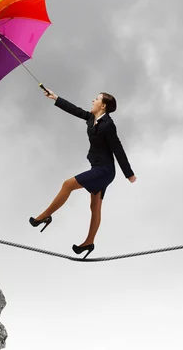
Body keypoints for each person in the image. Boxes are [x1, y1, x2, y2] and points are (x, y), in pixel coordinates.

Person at [29, 88, 136, 258]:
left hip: (105, 171)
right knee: (95, 206)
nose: (93, 100)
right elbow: (76, 110)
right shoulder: (92, 118)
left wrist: (128, 173)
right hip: (97, 168)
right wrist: (55, 97)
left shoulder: (108, 125)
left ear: (103, 106)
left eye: (96, 99)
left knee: (68, 184)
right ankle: (89, 242)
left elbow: (118, 148)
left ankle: (44, 216)